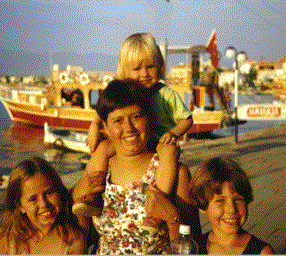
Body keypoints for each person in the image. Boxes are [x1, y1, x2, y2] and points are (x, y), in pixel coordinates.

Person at [73, 32, 193, 225]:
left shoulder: (165, 94)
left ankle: (156, 204)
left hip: (158, 140)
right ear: (125, 70)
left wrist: (172, 134)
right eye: (136, 69)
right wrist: (95, 125)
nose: (144, 74)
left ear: (159, 66)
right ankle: (94, 194)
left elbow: (186, 119)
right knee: (104, 149)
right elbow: (106, 110)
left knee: (170, 152)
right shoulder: (125, 92)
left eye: (150, 66)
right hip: (136, 137)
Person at [72, 79, 201, 254]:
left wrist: (172, 217)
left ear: (148, 118)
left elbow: (192, 246)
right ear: (105, 127)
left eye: (136, 117)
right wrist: (78, 191)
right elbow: (81, 233)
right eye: (118, 121)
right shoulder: (102, 168)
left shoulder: (174, 172)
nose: (129, 128)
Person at [0, 157, 86, 254]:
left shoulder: (73, 239)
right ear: (20, 206)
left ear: (59, 191)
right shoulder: (8, 242)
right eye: (33, 199)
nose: (43, 204)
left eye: (49, 193)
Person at [189, 157, 274, 254]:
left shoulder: (262, 252)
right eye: (220, 200)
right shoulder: (194, 248)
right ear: (202, 205)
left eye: (238, 199)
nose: (232, 209)